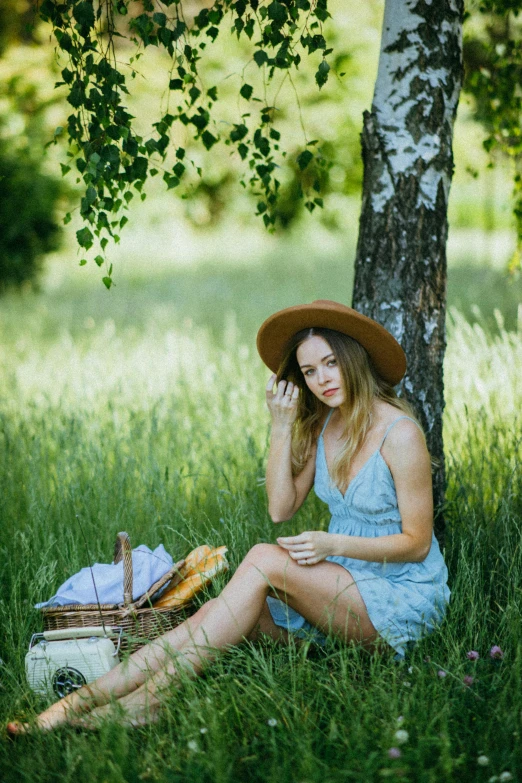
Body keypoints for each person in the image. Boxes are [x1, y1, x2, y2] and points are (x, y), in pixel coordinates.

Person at [7, 299, 449, 734]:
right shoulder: (324, 425)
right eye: (309, 371)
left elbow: (417, 543)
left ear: (352, 358)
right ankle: (71, 706)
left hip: (399, 595)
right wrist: (280, 425)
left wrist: (333, 544)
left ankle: (149, 700)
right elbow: (280, 508)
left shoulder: (400, 433)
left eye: (330, 363)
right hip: (343, 585)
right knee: (226, 610)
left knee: (262, 559)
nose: (321, 380)